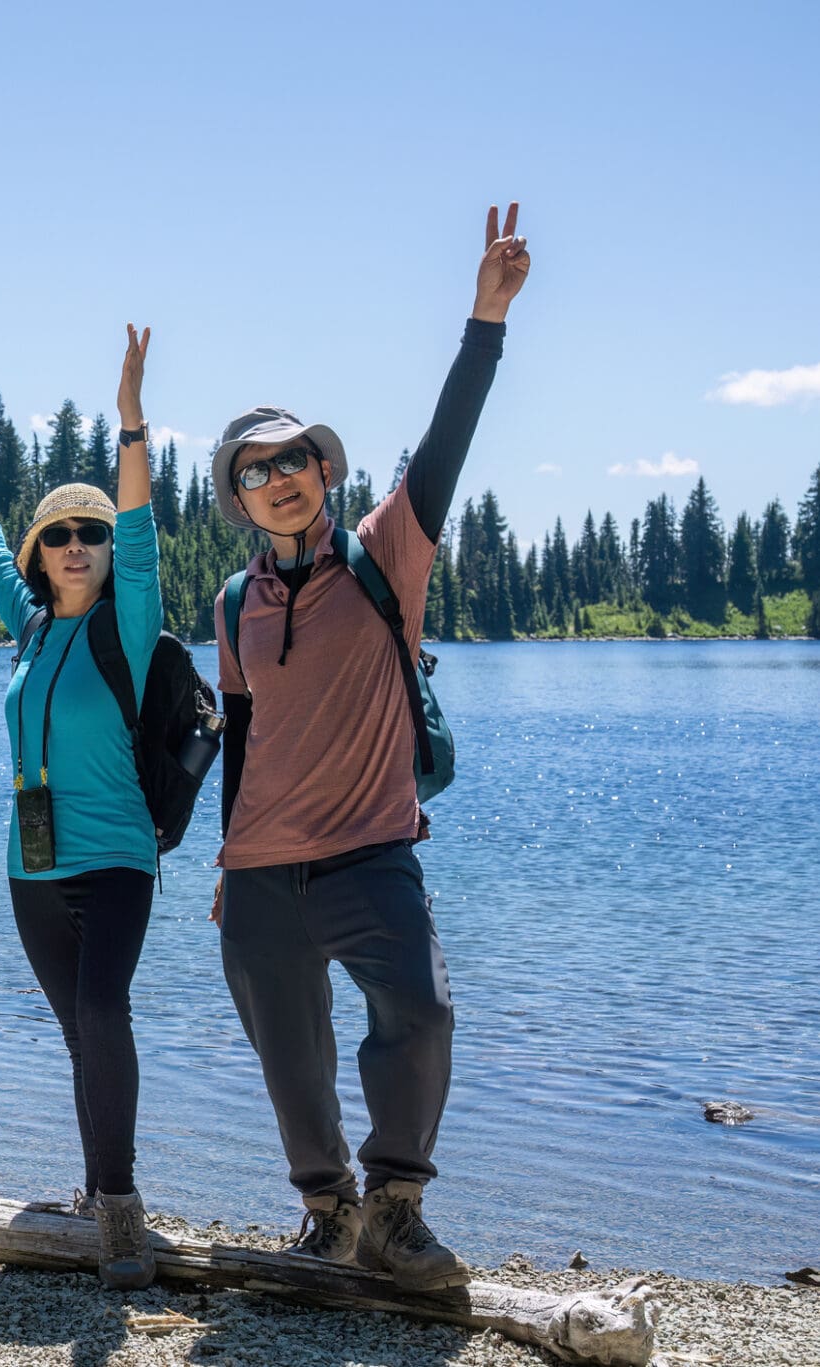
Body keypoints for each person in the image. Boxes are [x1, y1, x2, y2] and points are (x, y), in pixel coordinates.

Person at [209, 204, 532, 1291]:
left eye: (295, 457)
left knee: (422, 1009)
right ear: (240, 499)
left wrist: (482, 320)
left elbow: (446, 443)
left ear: (323, 469)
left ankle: (396, 1203)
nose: (281, 475)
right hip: (257, 871)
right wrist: (222, 863)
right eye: (257, 469)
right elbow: (242, 733)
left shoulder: (386, 552)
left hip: (370, 849)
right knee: (286, 1054)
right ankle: (326, 1209)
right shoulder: (230, 602)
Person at [0, 324, 164, 1289]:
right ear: (45, 553)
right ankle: (94, 1180)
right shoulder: (29, 627)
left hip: (115, 856)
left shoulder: (134, 623)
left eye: (94, 534)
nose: (78, 545)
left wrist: (130, 425)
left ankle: (119, 1211)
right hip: (28, 865)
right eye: (61, 535)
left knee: (103, 1009)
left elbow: (145, 535)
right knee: (79, 1029)